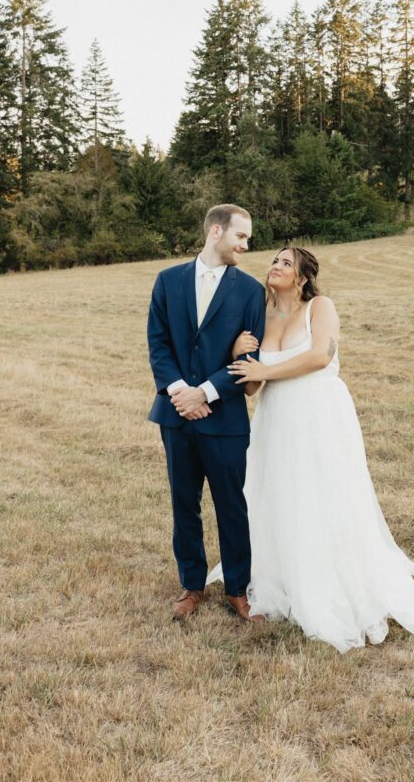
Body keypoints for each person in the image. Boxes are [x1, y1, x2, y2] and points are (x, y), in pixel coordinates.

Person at [207, 245, 414, 652]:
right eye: (274, 261)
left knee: (325, 492)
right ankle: (285, 573)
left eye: (286, 263)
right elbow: (251, 386)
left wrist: (266, 368)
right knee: (280, 493)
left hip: (318, 411)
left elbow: (320, 356)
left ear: (301, 277)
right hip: (276, 415)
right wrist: (239, 355)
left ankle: (333, 579)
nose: (276, 266)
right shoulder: (259, 318)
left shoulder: (321, 307)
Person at [147, 204, 266, 622]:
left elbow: (250, 360)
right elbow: (158, 345)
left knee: (232, 505)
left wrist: (206, 393)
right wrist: (182, 393)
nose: (246, 246)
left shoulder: (251, 292)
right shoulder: (167, 281)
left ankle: (238, 588)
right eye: (241, 237)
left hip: (226, 420)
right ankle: (191, 585)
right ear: (217, 231)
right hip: (176, 415)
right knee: (184, 503)